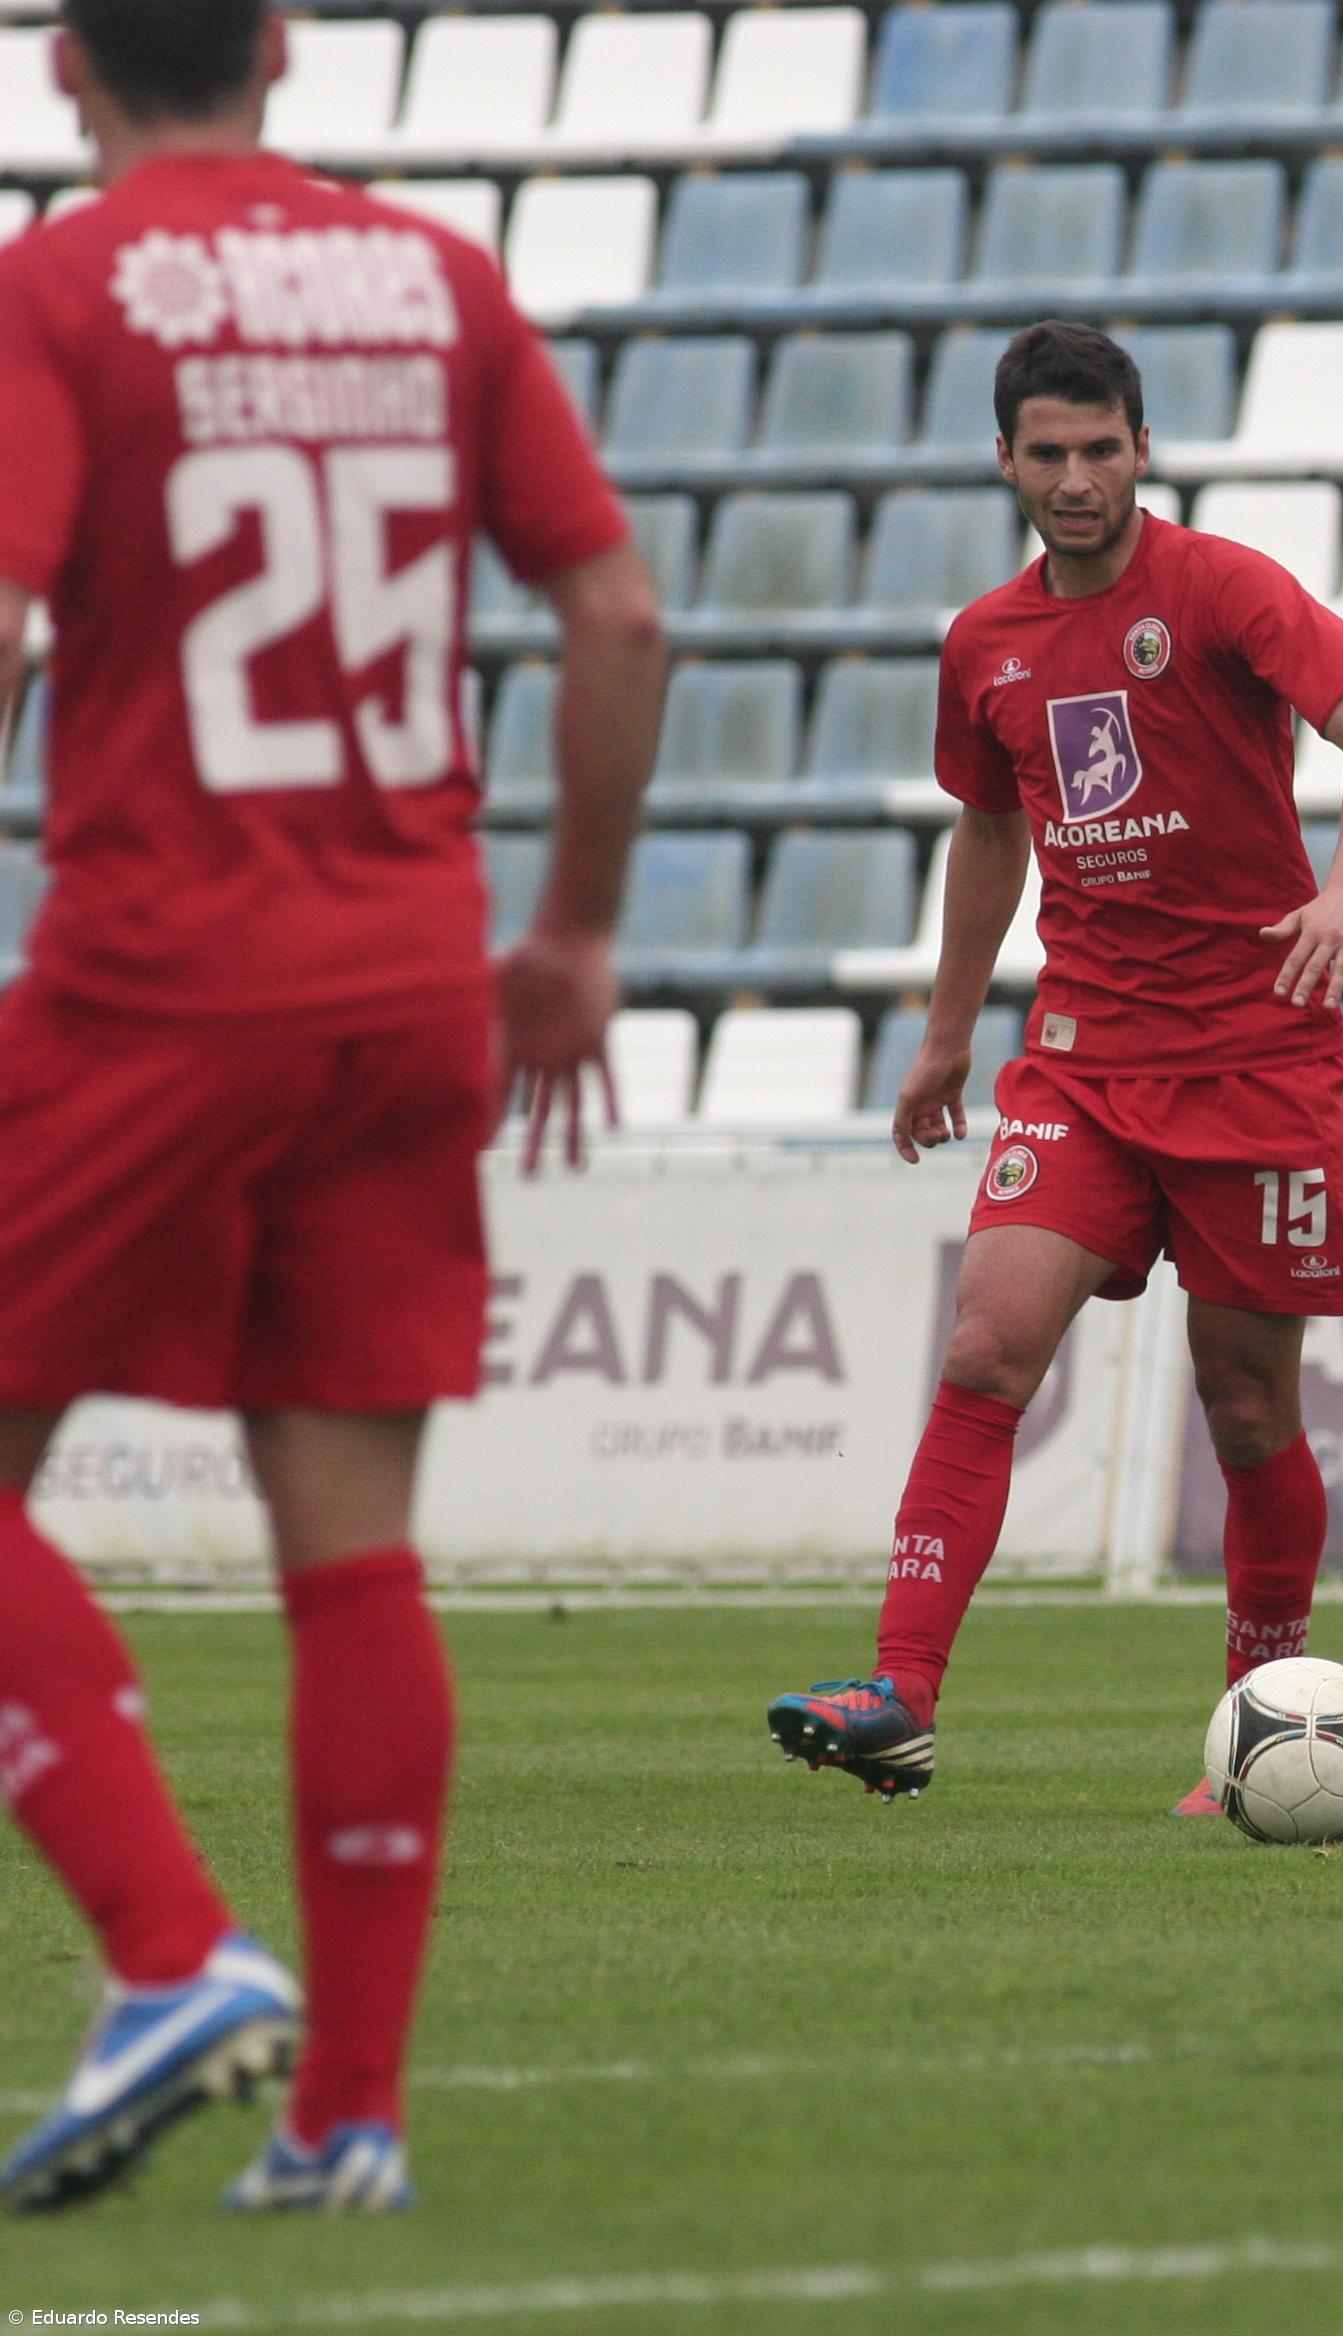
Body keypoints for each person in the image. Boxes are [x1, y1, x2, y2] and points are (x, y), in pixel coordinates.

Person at [0, 0, 665, 2210]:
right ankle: (346, 2118)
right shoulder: (437, 279)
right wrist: (568, 928)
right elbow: (615, 609)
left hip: (163, 973)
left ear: (63, 70)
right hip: (411, 977)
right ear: (283, 53)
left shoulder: (65, 291)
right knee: (353, 1544)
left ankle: (174, 1950)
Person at [765, 324, 1343, 1808]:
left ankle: (1268, 1704)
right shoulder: (983, 643)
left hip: (1258, 1056)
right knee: (988, 1349)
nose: (1075, 479)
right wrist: (947, 1032)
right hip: (1083, 1058)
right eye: (1046, 453)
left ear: (1142, 447)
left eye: (1100, 449)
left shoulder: (1219, 587)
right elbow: (991, 826)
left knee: (1247, 1408)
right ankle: (900, 1693)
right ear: (1004, 459)